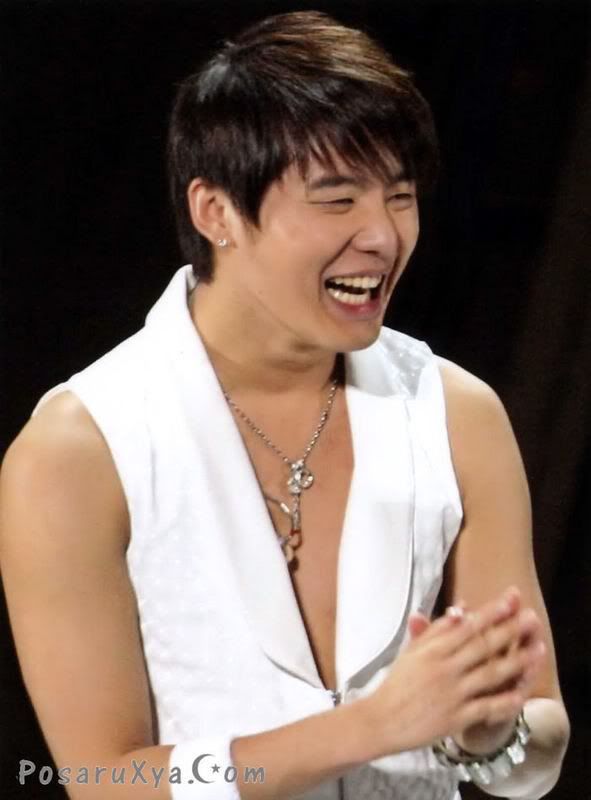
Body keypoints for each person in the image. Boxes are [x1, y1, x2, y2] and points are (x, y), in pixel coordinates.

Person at [0, 10, 569, 800]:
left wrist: (488, 735)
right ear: (216, 212)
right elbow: (103, 780)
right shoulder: (81, 447)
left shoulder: (454, 414)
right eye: (337, 200)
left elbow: (539, 742)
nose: (382, 236)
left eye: (399, 196)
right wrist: (370, 727)